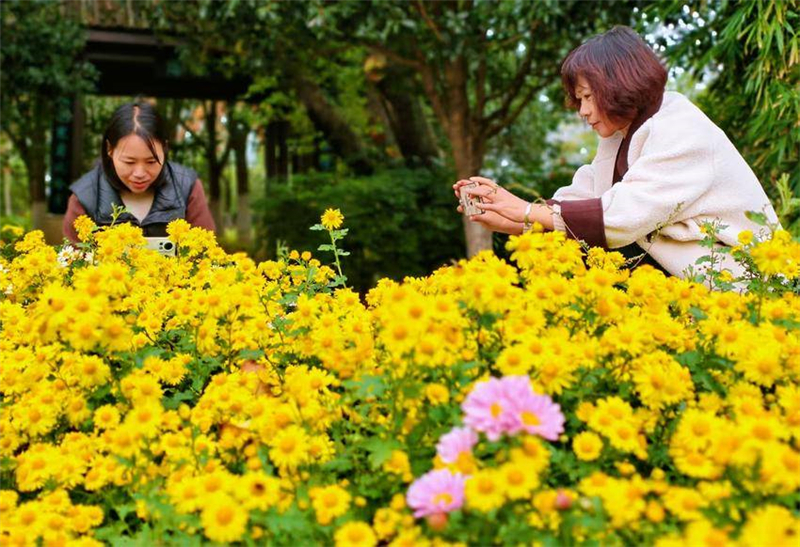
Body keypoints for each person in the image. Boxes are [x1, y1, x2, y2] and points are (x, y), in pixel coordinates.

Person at [454, 26, 779, 278]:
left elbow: (622, 215)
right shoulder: (621, 137)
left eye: (587, 97)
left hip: (745, 283)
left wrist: (524, 212)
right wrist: (506, 216)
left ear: (619, 85)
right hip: (691, 281)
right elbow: (582, 200)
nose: (581, 111)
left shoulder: (681, 128)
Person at [63, 101, 215, 243]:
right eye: (129, 162)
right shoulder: (84, 197)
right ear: (109, 149)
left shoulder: (187, 187)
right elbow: (74, 264)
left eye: (151, 161)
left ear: (164, 148)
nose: (140, 173)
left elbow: (205, 254)